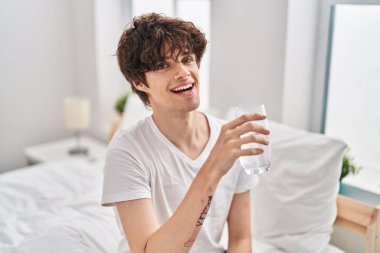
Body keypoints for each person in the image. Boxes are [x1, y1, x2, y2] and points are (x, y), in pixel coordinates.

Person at [102, 13, 270, 253]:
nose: (183, 72)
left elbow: (241, 239)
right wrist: (213, 168)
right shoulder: (127, 149)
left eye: (187, 59)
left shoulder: (230, 139)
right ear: (139, 82)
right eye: (163, 65)